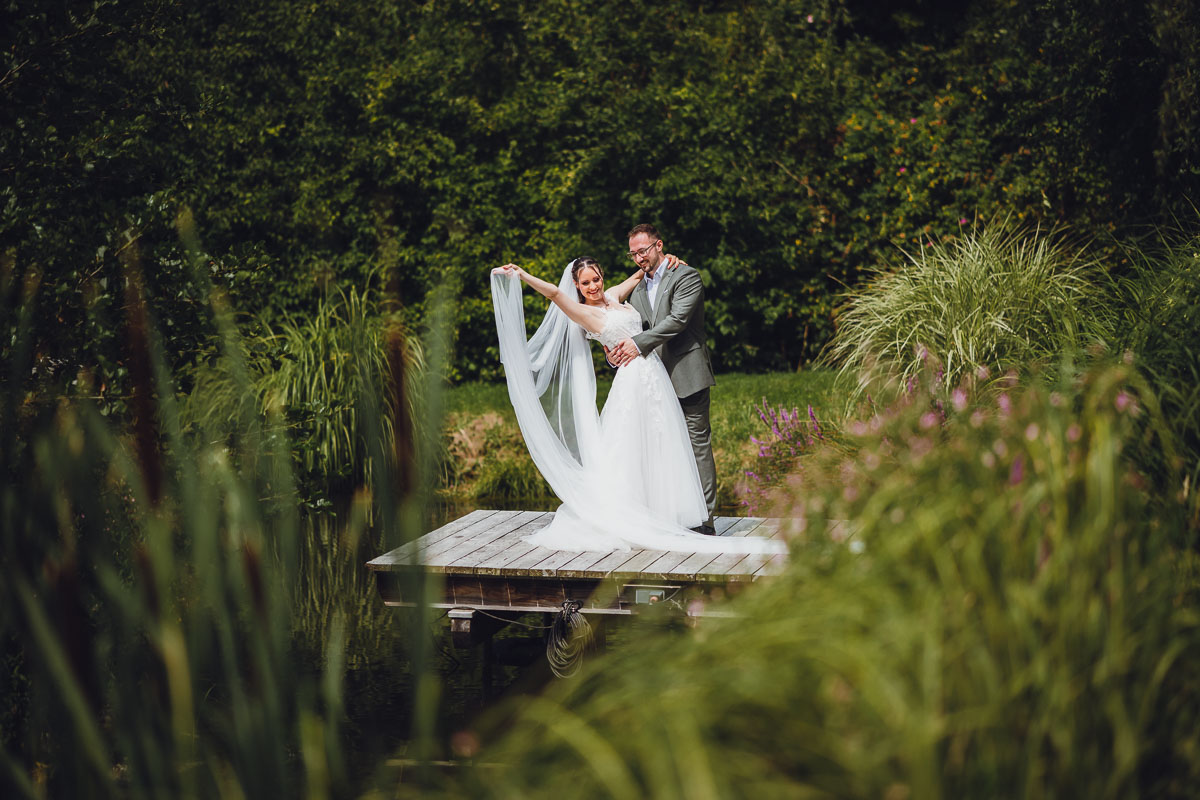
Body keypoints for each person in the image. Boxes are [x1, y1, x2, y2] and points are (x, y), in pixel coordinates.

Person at [490, 257, 784, 555]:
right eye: (586, 282)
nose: (593, 286)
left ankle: (663, 514)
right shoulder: (584, 312)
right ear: (577, 286)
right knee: (627, 446)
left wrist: (666, 260)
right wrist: (522, 274)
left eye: (596, 279)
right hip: (631, 383)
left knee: (660, 443)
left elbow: (641, 274)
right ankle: (627, 514)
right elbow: (554, 293)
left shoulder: (614, 296)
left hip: (654, 377)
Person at [608, 224, 717, 534]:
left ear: (659, 245)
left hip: (687, 373)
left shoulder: (686, 275)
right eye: (633, 254)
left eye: (643, 250)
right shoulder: (639, 288)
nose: (639, 257)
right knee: (664, 449)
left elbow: (678, 321)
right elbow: (627, 326)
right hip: (654, 383)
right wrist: (614, 353)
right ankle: (674, 516)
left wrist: (638, 344)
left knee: (697, 447)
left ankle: (704, 521)